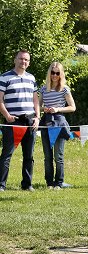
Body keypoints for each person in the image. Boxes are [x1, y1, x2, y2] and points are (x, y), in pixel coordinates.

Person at [0, 50, 40, 192]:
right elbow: (0, 100)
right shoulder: (4, 77)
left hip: (30, 120)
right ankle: (1, 185)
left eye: (26, 60)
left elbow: (36, 100)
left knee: (29, 155)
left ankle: (27, 184)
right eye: (21, 59)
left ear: (29, 63)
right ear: (15, 59)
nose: (24, 62)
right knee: (6, 154)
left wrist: (37, 117)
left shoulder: (31, 78)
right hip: (12, 121)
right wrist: (6, 115)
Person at [39, 62, 76, 190]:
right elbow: (38, 106)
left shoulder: (65, 89)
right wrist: (45, 109)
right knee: (47, 155)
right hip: (46, 122)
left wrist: (57, 109)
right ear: (49, 73)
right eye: (52, 72)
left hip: (59, 122)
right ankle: (49, 183)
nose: (54, 75)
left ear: (61, 74)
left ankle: (59, 182)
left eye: (57, 73)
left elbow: (73, 107)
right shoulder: (43, 89)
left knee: (58, 156)